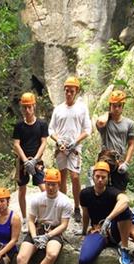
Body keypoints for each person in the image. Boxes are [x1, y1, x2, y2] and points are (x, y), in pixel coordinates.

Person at [62, 161, 133, 264]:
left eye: (103, 177)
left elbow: (125, 201)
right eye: (98, 176)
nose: (100, 179)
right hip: (97, 232)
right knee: (84, 259)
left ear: (108, 178)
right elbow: (85, 214)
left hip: (114, 231)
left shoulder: (112, 192)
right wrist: (83, 231)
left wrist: (108, 219)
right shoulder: (85, 194)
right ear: (93, 177)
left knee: (124, 211)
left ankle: (124, 248)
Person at [16, 168, 73, 264]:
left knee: (52, 254)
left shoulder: (65, 201)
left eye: (54, 184)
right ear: (45, 183)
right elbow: (30, 220)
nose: (50, 187)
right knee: (21, 258)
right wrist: (35, 236)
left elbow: (64, 225)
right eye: (48, 184)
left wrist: (48, 236)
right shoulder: (37, 199)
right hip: (38, 228)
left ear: (58, 184)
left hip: (54, 231)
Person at [48, 76, 92, 223]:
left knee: (75, 177)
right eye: (66, 91)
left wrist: (75, 142)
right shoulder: (58, 109)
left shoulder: (81, 109)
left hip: (75, 147)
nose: (68, 93)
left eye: (71, 91)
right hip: (61, 146)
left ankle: (77, 207)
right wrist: (58, 140)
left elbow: (87, 129)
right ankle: (64, 206)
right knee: (62, 177)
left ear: (76, 92)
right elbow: (51, 129)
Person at [13, 92, 48, 232]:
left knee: (43, 188)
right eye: (24, 107)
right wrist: (24, 160)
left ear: (34, 106)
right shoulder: (19, 126)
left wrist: (35, 160)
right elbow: (16, 144)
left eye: (29, 107)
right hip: (22, 161)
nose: (27, 110)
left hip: (37, 161)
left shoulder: (41, 124)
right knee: (22, 190)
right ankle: (24, 219)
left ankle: (45, 217)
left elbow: (44, 142)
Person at [95, 90, 134, 191]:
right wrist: (107, 113)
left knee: (120, 189)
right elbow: (100, 122)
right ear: (110, 106)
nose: (117, 108)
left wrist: (126, 163)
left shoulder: (129, 123)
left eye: (119, 106)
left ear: (123, 106)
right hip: (105, 159)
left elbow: (131, 144)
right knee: (102, 188)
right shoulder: (105, 122)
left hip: (120, 160)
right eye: (114, 106)